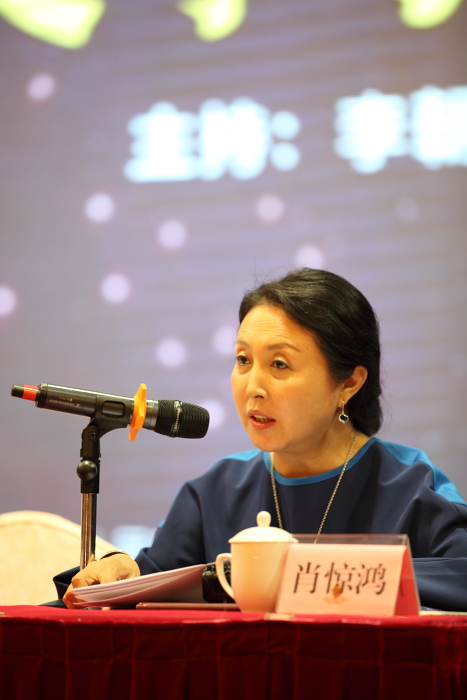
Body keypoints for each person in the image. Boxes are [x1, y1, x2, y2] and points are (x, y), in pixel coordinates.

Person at [59, 268, 467, 611]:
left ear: (348, 383)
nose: (253, 386)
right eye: (243, 360)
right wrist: (118, 568)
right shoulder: (214, 492)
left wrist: (315, 577)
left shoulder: (411, 485)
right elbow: (146, 585)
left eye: (279, 364)